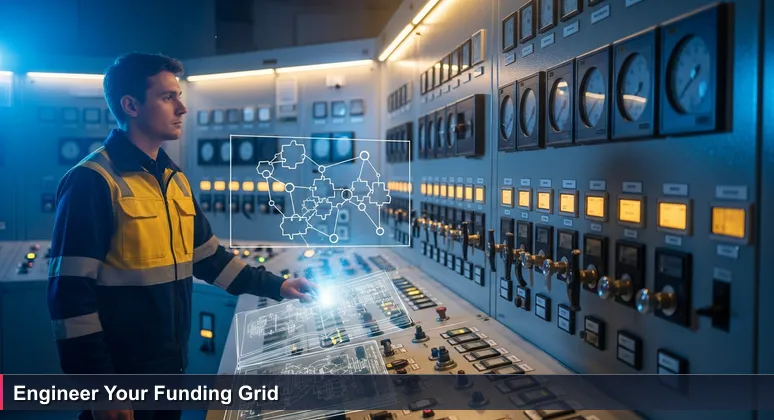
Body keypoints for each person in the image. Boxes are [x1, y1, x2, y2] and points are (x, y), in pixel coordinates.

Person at [47, 53, 317, 420]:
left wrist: (278, 286)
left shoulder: (173, 179)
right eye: (167, 97)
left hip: (169, 370)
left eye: (179, 96)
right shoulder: (92, 181)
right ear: (131, 106)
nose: (182, 108)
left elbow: (210, 260)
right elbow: (69, 298)